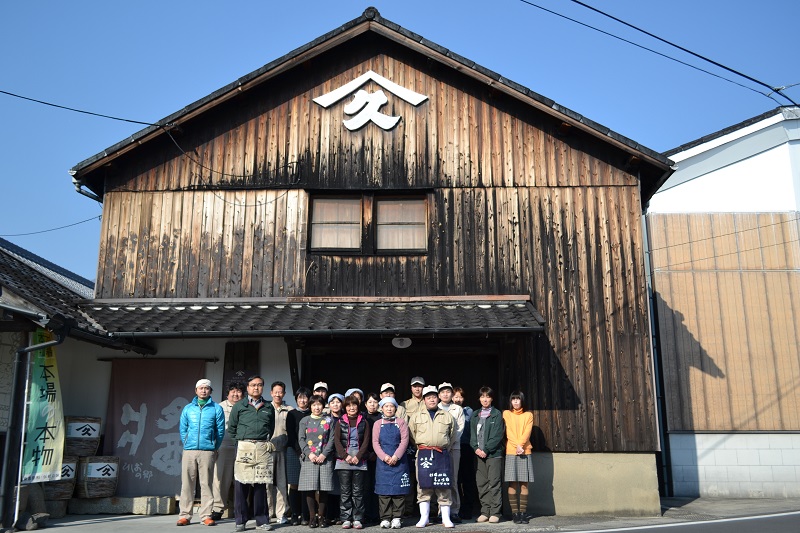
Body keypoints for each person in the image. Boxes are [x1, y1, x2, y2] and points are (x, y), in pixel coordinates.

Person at [228, 375, 278, 532]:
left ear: (263, 387)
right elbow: (232, 428)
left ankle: (262, 520)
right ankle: (240, 520)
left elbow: (271, 427)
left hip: (262, 447)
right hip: (244, 447)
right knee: (241, 484)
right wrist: (240, 442)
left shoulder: (268, 407)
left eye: (259, 385)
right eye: (253, 385)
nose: (256, 388)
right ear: (248, 388)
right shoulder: (239, 406)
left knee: (260, 484)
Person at [177, 378, 226, 527]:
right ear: (196, 390)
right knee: (187, 483)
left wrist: (213, 446)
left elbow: (220, 431)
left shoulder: (216, 408)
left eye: (207, 388)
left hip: (208, 451)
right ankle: (185, 515)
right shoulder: (188, 408)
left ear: (210, 391)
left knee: (206, 484)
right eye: (201, 388)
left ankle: (206, 515)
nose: (204, 390)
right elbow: (183, 428)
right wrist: (186, 442)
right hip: (189, 450)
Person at [407, 385, 455, 528]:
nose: (432, 400)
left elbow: (451, 436)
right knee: (423, 486)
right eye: (429, 397)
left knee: (444, 486)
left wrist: (442, 445)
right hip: (424, 453)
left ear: (438, 398)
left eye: (434, 397)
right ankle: (424, 518)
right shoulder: (416, 416)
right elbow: (412, 435)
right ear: (424, 400)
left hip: (442, 453)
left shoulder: (447, 416)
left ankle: (446, 518)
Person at [372, 397, 410, 529]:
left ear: (395, 408)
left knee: (399, 491)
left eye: (391, 406)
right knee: (384, 491)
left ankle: (397, 517)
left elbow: (404, 441)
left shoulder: (401, 422)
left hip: (399, 461)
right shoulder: (377, 424)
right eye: (386, 406)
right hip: (383, 463)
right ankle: (385, 518)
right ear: (381, 408)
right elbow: (375, 443)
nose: (389, 409)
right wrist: (385, 457)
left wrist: (396, 456)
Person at [334, 395, 371, 529]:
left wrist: (359, 456)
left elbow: (366, 441)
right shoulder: (340, 422)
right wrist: (345, 456)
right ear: (345, 408)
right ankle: (345, 518)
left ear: (358, 406)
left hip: (359, 461)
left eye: (354, 405)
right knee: (345, 491)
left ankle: (357, 518)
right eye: (349, 405)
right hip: (344, 461)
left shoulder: (364, 422)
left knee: (358, 491)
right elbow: (337, 441)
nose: (351, 408)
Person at [298, 394, 336, 528]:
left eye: (319, 404)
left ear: (323, 405)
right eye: (314, 405)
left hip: (325, 458)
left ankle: (321, 517)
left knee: (324, 489)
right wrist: (309, 454)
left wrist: (324, 454)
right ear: (310, 406)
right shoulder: (305, 420)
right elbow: (301, 439)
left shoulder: (329, 420)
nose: (316, 407)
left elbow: (332, 439)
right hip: (310, 458)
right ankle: (312, 517)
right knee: (310, 488)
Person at [469, 387, 505, 523]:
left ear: (492, 398)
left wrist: (486, 449)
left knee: (494, 483)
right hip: (478, 454)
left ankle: (495, 512)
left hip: (493, 455)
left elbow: (497, 436)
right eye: (482, 396)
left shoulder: (496, 414)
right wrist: (476, 448)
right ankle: (485, 510)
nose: (485, 399)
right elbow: (472, 435)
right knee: (482, 483)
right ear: (479, 398)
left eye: (488, 396)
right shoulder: (475, 415)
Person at [211, 381, 245, 522]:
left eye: (239, 391)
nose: (236, 394)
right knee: (221, 479)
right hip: (224, 446)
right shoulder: (219, 407)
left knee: (243, 479)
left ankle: (242, 508)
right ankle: (218, 508)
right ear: (228, 393)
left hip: (242, 446)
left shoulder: (246, 406)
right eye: (233, 391)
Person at [503, 391, 534, 524]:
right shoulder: (506, 413)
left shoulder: (528, 415)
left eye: (518, 399)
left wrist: (521, 446)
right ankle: (515, 513)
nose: (515, 402)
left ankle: (523, 513)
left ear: (522, 400)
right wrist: (517, 446)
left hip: (525, 451)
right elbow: (508, 431)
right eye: (513, 399)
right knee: (512, 483)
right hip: (511, 451)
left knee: (524, 484)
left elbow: (527, 431)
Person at [437, 382, 465, 523]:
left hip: (453, 448)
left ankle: (454, 510)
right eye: (442, 392)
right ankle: (441, 510)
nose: (445, 394)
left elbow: (459, 429)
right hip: (438, 449)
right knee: (439, 479)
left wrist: (449, 444)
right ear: (439, 394)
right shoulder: (435, 407)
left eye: (448, 392)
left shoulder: (457, 409)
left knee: (452, 479)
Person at [287, 387, 313, 525]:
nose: (303, 400)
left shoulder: (312, 413)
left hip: (309, 452)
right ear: (296, 399)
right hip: (294, 451)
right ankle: (294, 513)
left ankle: (305, 514)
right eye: (300, 397)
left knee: (306, 485)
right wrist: (299, 450)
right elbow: (291, 434)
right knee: (294, 484)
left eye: (305, 397)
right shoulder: (291, 414)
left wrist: (307, 451)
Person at [268, 381, 293, 524]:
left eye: (280, 392)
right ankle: (268, 512)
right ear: (271, 393)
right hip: (267, 450)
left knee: (282, 483)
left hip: (283, 451)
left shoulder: (289, 409)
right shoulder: (266, 408)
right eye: (275, 391)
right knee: (267, 484)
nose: (278, 394)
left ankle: (281, 513)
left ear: (284, 393)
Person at [400, 377, 425, 517]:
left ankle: (431, 507)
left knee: (426, 474)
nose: (417, 389)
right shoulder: (404, 404)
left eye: (420, 386)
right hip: (409, 443)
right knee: (409, 475)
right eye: (415, 386)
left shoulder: (429, 401)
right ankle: (408, 507)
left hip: (425, 442)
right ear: (411, 388)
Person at [452, 386, 477, 520]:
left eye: (460, 397)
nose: (458, 399)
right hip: (452, 447)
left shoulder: (469, 411)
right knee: (455, 479)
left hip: (466, 447)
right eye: (455, 396)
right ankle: (456, 508)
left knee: (467, 479)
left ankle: (468, 509)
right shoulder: (447, 410)